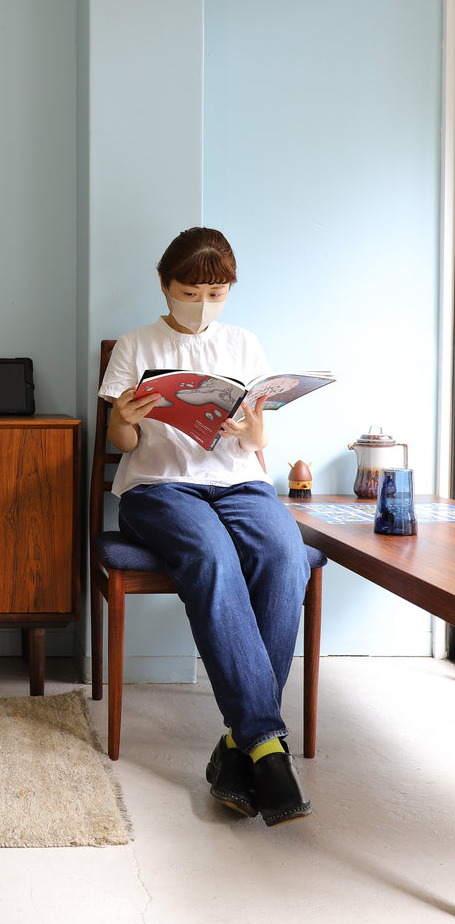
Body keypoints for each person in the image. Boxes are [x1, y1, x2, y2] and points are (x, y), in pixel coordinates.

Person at [98, 226, 313, 826]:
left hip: (239, 481)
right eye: (191, 291)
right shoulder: (135, 346)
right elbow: (124, 444)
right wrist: (122, 417)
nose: (203, 304)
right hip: (158, 489)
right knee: (213, 558)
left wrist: (252, 432)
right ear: (165, 285)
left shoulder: (243, 343)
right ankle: (268, 746)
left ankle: (242, 746)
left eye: (216, 293)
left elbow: (260, 438)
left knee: (285, 555)